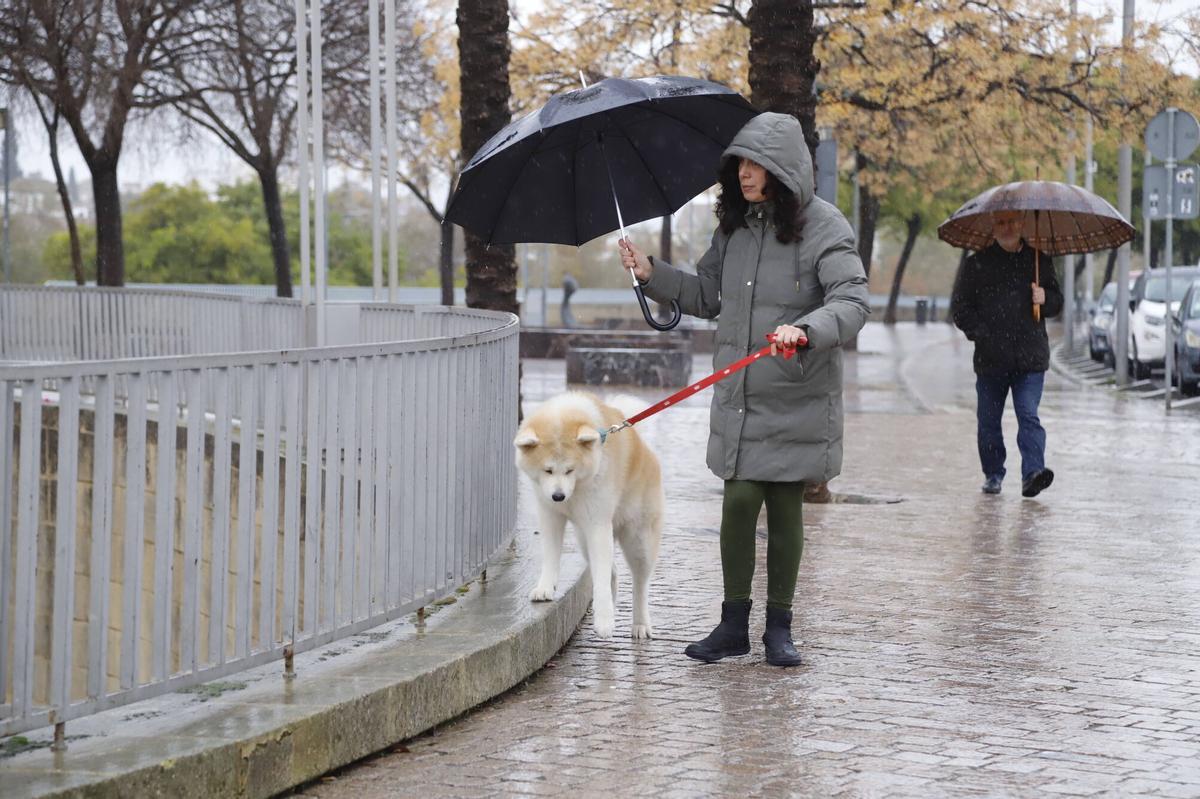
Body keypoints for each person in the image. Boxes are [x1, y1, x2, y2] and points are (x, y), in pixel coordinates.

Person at [617, 112, 869, 667]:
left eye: (757, 165)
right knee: (738, 503)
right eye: (740, 165)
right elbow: (707, 295)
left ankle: (779, 627)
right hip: (740, 396)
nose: (746, 175)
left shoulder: (824, 225)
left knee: (784, 507)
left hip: (796, 393)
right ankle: (733, 624)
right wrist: (650, 272)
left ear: (783, 169)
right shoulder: (732, 228)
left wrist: (805, 331)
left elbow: (852, 301)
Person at [950, 209, 1062, 498]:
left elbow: (1057, 303)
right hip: (991, 360)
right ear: (993, 227)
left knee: (1028, 415)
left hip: (1030, 359)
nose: (1008, 227)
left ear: (1022, 224)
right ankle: (993, 473)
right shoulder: (977, 265)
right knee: (988, 421)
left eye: (1012, 221)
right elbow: (961, 309)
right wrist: (982, 334)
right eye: (1001, 222)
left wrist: (1045, 298)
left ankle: (1033, 473)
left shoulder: (1039, 261)